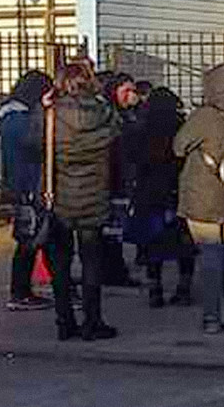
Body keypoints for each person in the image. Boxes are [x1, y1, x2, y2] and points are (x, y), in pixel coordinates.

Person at [174, 63, 224, 334]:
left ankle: (211, 317)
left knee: (210, 256)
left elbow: (178, 147)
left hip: (204, 196)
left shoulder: (205, 116)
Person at [49, 58, 121, 341]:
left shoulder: (52, 115)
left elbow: (33, 144)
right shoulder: (104, 112)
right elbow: (118, 137)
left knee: (60, 263)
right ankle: (93, 321)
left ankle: (64, 321)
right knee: (92, 261)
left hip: (60, 196)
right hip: (94, 194)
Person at [132, 86, 196, 308]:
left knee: (152, 243)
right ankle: (184, 287)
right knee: (184, 243)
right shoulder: (180, 126)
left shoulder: (141, 127)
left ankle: (155, 289)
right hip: (178, 188)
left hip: (149, 192)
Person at [0, 70, 54, 312]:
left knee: (40, 238)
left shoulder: (14, 116)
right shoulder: (17, 118)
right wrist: (43, 112)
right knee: (29, 240)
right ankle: (19, 292)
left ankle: (47, 286)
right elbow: (33, 142)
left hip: (27, 184)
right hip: (27, 185)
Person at [99, 72, 140, 289]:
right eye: (126, 91)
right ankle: (111, 270)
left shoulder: (130, 114)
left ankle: (114, 269)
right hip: (111, 178)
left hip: (122, 177)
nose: (131, 96)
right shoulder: (110, 115)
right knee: (109, 231)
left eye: (133, 91)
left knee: (115, 231)